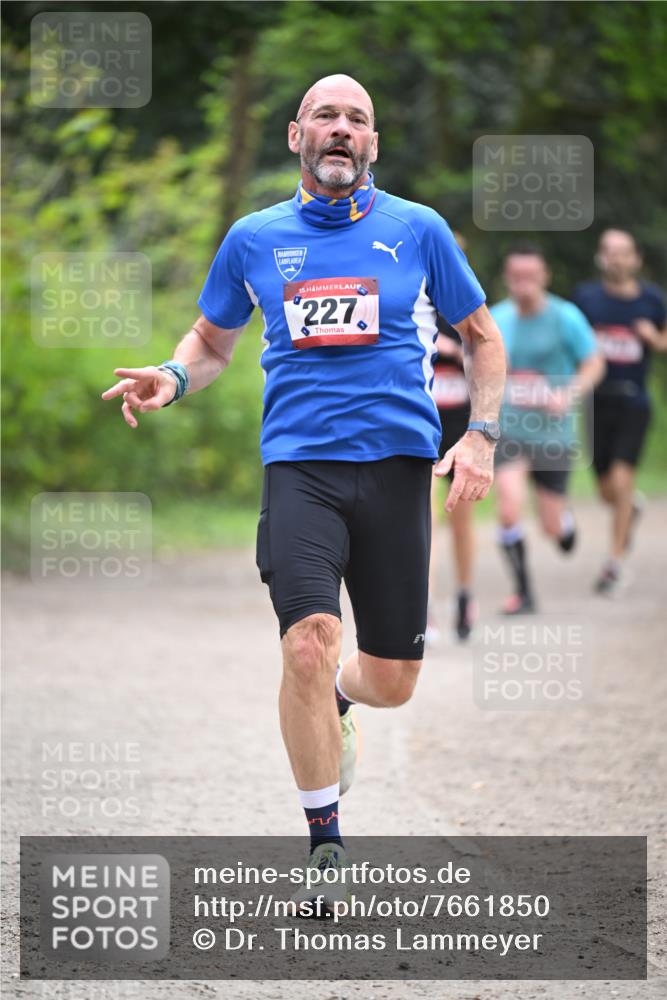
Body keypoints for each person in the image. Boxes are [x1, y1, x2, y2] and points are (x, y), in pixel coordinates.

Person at [102, 74, 506, 911]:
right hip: (300, 470)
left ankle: (338, 700)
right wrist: (173, 375)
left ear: (372, 146)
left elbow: (481, 336)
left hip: (397, 468)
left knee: (392, 679)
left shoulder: (417, 230)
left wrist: (481, 435)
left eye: (357, 119)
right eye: (325, 116)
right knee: (306, 642)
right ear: (296, 136)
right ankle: (325, 840)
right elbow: (212, 341)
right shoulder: (254, 238)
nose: (340, 130)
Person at [491, 245, 604, 614]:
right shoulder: (497, 318)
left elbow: (593, 363)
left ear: (544, 277)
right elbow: (479, 362)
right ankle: (523, 592)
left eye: (531, 277)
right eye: (516, 277)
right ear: (508, 278)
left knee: (551, 528)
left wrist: (568, 393)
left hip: (553, 434)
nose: (523, 285)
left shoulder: (565, 317)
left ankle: (564, 523)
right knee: (508, 508)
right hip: (509, 428)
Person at [573, 229, 667, 594]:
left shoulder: (651, 300)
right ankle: (632, 508)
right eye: (610, 252)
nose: (617, 259)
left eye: (624, 253)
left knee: (622, 477)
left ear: (635, 258)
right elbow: (571, 337)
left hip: (634, 401)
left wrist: (653, 339)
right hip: (596, 402)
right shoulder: (586, 299)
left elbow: (664, 340)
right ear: (601, 257)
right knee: (606, 490)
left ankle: (613, 564)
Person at [428, 232, 476, 642]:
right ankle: (423, 608)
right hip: (423, 429)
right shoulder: (415, 302)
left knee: (461, 522)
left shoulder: (470, 307)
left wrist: (452, 349)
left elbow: (490, 356)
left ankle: (464, 596)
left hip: (461, 429)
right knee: (423, 522)